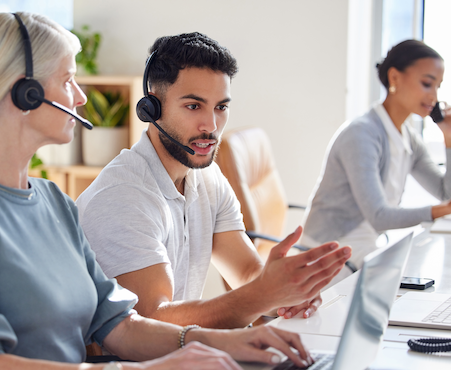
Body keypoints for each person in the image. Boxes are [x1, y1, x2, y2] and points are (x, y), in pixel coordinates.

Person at [0, 12, 315, 370]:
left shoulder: (51, 202)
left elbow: (119, 325)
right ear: (23, 92)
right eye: (68, 80)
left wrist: (227, 341)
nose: (81, 97)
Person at [76, 32, 352, 329]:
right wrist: (262, 297)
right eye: (194, 106)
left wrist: (286, 293)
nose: (211, 126)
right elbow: (151, 320)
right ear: (152, 108)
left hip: (183, 357)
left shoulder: (207, 177)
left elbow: (246, 271)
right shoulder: (123, 196)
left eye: (221, 107)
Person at [302, 39, 451, 284]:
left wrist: (448, 138)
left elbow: (446, 192)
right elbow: (380, 216)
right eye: (427, 83)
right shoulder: (361, 135)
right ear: (394, 78)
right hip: (326, 258)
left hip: (362, 252)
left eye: (438, 86)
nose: (434, 96)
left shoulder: (408, 139)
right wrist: (442, 211)